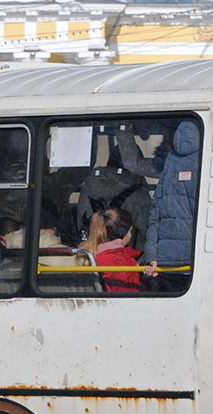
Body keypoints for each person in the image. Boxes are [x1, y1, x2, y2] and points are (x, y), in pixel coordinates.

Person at [141, 120, 200, 291]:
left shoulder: (171, 160)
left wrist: (152, 255)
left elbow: (155, 213)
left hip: (167, 261)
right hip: (196, 257)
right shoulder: (208, 157)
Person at [82, 208, 143, 293]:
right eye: (130, 231)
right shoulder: (123, 261)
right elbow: (131, 296)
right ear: (124, 234)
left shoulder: (86, 254)